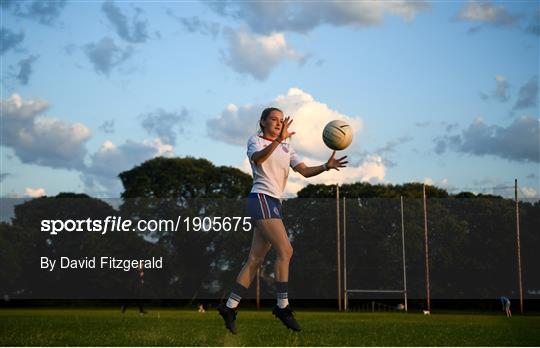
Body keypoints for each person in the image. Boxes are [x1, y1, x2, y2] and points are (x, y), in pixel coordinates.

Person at [217, 107, 348, 334]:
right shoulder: (255, 141)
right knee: (286, 251)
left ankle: (229, 306)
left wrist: (326, 166)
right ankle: (282, 305)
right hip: (260, 199)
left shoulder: (287, 146)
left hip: (274, 203)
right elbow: (258, 159)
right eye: (274, 120)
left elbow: (304, 171)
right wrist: (278, 140)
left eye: (281, 120)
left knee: (255, 260)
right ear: (262, 122)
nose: (279, 123)